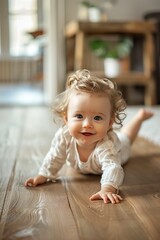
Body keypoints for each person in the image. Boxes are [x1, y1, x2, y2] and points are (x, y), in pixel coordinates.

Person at [25, 69, 153, 204]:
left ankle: (139, 118)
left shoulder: (107, 146)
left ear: (109, 123)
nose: (87, 124)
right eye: (79, 116)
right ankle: (137, 117)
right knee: (124, 135)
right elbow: (55, 155)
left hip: (120, 151)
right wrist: (43, 174)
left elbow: (112, 167)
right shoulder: (65, 136)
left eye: (97, 118)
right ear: (66, 119)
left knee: (126, 137)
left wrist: (108, 188)